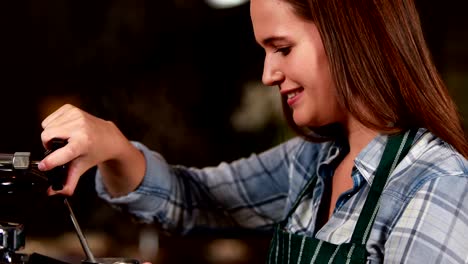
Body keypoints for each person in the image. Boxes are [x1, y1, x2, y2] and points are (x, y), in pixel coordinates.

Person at [39, 0, 468, 263]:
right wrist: (112, 145)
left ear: (350, 36)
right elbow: (192, 201)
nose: (267, 74)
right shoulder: (311, 163)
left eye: (281, 48)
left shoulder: (437, 186)